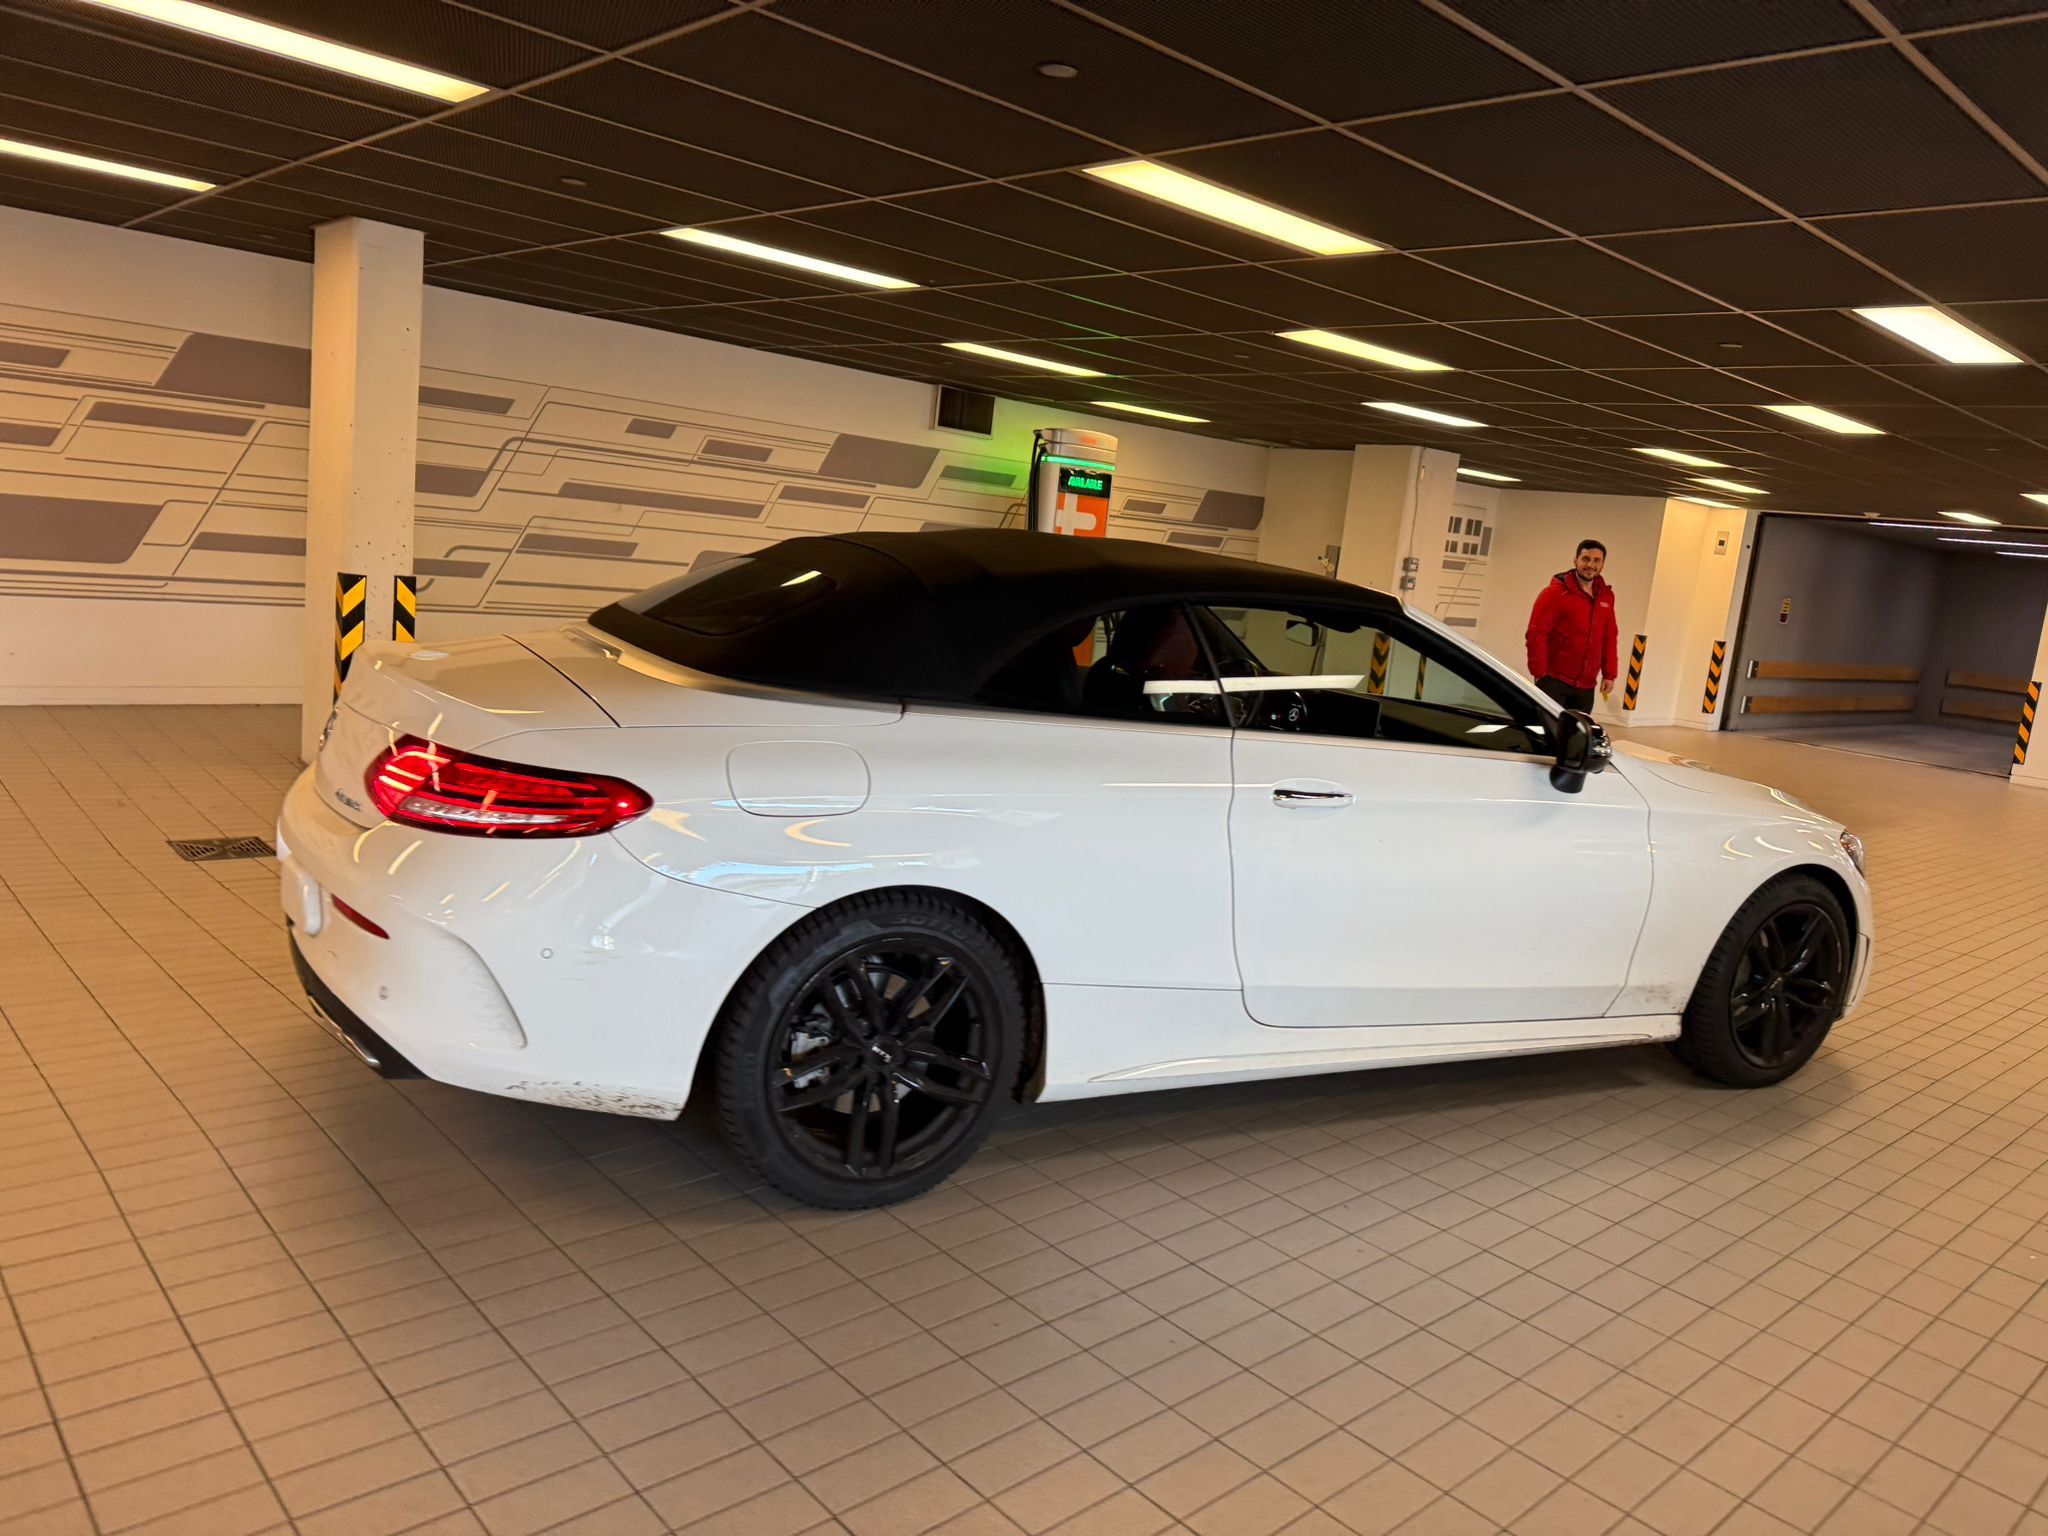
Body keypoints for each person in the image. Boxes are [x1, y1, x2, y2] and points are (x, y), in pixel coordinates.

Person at [1526, 539, 1619, 714]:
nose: (1590, 565)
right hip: (1554, 682)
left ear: (1602, 564)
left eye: (1596, 560)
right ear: (1575, 560)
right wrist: (1540, 675)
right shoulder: (1554, 593)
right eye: (1585, 559)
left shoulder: (1606, 597)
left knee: (1576, 737)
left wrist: (1609, 674)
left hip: (1586, 687)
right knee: (1549, 735)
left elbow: (1609, 636)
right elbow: (1537, 634)